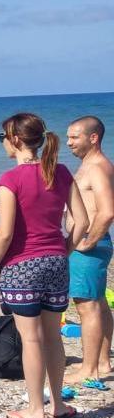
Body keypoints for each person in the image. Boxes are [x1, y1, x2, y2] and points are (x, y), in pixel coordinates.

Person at [0, 112, 90, 418]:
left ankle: (36, 408)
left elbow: (5, 232)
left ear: (16, 139)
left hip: (23, 265)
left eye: (3, 137)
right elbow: (82, 222)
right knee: (53, 337)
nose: (3, 143)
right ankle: (58, 404)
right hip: (57, 262)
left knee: (31, 339)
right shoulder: (60, 172)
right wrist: (63, 249)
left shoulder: (11, 179)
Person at [65, 115, 114, 384]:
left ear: (93, 138)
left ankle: (89, 369)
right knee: (100, 304)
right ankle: (103, 363)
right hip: (92, 244)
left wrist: (87, 241)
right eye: (69, 137)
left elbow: (107, 211)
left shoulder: (97, 167)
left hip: (89, 246)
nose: (69, 142)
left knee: (87, 307)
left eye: (75, 137)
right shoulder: (90, 165)